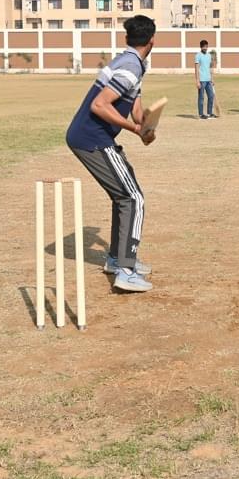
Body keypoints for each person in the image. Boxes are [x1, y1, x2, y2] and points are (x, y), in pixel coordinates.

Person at [66, 15, 158, 294]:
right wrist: (134, 128)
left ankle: (118, 259)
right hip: (91, 138)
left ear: (127, 39)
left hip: (94, 136)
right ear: (152, 41)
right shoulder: (130, 66)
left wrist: (144, 125)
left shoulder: (133, 64)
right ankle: (125, 272)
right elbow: (99, 105)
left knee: (124, 196)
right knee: (133, 198)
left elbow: (135, 108)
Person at [194, 39, 216, 118]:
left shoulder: (209, 55)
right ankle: (201, 114)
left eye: (206, 47)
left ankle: (209, 113)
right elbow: (196, 69)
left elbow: (210, 67)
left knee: (211, 96)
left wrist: (212, 78)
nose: (205, 48)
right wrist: (197, 81)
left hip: (208, 80)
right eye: (203, 47)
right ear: (200, 47)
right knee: (201, 97)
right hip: (201, 80)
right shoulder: (198, 55)